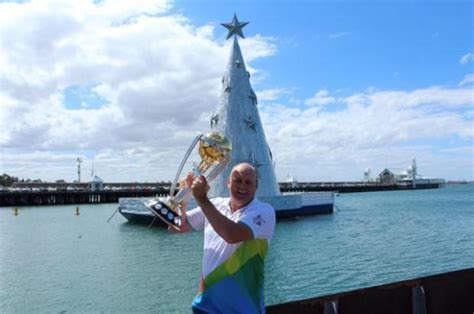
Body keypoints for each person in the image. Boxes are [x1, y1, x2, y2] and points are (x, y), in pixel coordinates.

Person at [175, 162, 276, 313]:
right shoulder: (215, 205)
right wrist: (183, 199)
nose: (242, 186)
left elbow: (232, 234)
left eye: (248, 182)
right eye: (237, 180)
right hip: (205, 307)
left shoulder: (264, 212)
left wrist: (202, 199)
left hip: (243, 309)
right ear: (228, 182)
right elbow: (178, 227)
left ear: (256, 186)